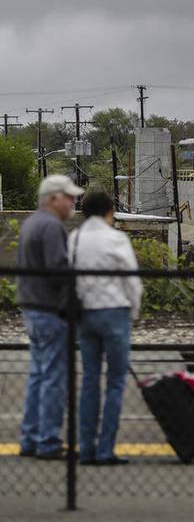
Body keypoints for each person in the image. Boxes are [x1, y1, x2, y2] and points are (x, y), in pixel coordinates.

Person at [69, 191, 143, 466]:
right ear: (109, 212)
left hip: (85, 315)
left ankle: (86, 448)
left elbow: (70, 278)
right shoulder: (116, 238)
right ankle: (105, 450)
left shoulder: (74, 239)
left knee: (89, 380)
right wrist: (133, 312)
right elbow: (131, 281)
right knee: (115, 382)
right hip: (114, 313)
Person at [17, 175, 84, 459]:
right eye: (69, 197)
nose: (73, 202)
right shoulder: (51, 227)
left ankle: (30, 438)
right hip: (50, 309)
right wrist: (76, 295)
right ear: (54, 197)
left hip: (32, 307)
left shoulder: (32, 223)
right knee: (54, 378)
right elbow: (59, 269)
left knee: (38, 376)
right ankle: (48, 442)